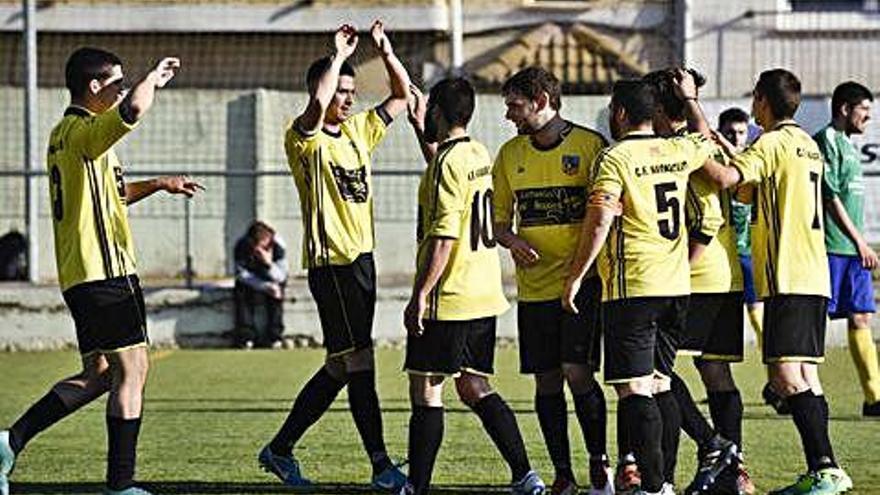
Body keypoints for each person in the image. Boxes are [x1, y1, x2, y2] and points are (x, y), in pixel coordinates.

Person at [0, 47, 202, 495]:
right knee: (134, 371)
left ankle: (8, 441)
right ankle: (121, 485)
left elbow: (113, 195)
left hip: (79, 275)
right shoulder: (86, 130)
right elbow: (132, 109)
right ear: (95, 88)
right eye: (116, 81)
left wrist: (158, 183)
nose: (122, 89)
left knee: (100, 375)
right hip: (106, 274)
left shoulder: (66, 135)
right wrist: (153, 78)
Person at [561, 77, 739, 495]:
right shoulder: (679, 150)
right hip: (676, 287)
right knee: (660, 382)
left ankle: (655, 486)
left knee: (634, 389)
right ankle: (676, 471)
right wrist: (693, 101)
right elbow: (704, 137)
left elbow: (601, 218)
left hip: (633, 287)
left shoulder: (614, 158)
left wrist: (576, 276)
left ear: (620, 114)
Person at [259, 21, 409, 491]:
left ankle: (280, 450)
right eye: (340, 90)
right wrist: (338, 56)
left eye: (352, 91)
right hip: (333, 266)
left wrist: (385, 52)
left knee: (341, 365)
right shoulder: (304, 138)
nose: (348, 98)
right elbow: (318, 105)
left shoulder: (359, 131)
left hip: (363, 262)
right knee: (359, 361)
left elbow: (403, 97)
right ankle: (382, 466)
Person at [399, 76, 545, 495]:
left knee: (427, 388)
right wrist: (416, 127)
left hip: (451, 297)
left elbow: (444, 237)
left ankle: (417, 487)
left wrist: (420, 295)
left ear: (439, 113)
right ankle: (525, 475)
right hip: (483, 295)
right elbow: (448, 176)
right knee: (473, 385)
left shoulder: (448, 164)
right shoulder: (477, 152)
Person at [721, 69, 852, 494]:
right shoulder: (806, 145)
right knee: (806, 377)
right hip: (813, 273)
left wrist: (700, 140)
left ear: (761, 101)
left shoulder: (772, 143)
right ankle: (825, 471)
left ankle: (826, 468)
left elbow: (729, 180)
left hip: (788, 276)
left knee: (783, 378)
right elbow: (750, 192)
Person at [492, 67, 612, 495]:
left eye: (515, 106)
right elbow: (499, 223)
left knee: (577, 372)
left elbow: (605, 218)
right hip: (535, 289)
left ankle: (600, 463)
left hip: (581, 286)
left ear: (541, 101)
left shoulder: (590, 147)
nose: (509, 115)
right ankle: (564, 473)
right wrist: (512, 241)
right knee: (546, 379)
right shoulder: (509, 155)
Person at [642, 70, 751, 495]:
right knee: (713, 371)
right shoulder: (701, 142)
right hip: (723, 276)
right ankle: (730, 473)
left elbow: (707, 220)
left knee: (656, 375)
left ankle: (702, 454)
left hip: (698, 279)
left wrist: (678, 270)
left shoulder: (686, 150)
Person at [815, 82, 880, 418]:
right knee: (813, 321)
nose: (868, 117)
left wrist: (859, 244)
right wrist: (859, 241)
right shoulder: (825, 140)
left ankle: (874, 398)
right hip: (830, 248)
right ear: (844, 108)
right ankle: (792, 389)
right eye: (863, 110)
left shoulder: (850, 146)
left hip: (853, 251)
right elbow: (830, 197)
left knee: (861, 317)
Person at [719, 108, 764, 351]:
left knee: (757, 315)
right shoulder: (714, 165)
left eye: (741, 132)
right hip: (721, 255)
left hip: (747, 253)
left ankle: (775, 371)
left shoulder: (752, 162)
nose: (736, 138)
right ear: (720, 133)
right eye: (730, 133)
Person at [233, 220, 288, 349]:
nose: (266, 248)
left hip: (272, 276)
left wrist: (268, 264)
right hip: (252, 280)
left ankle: (275, 337)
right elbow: (241, 275)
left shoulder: (279, 245)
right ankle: (246, 337)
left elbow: (282, 276)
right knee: (241, 292)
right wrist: (264, 286)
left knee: (278, 293)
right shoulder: (241, 246)